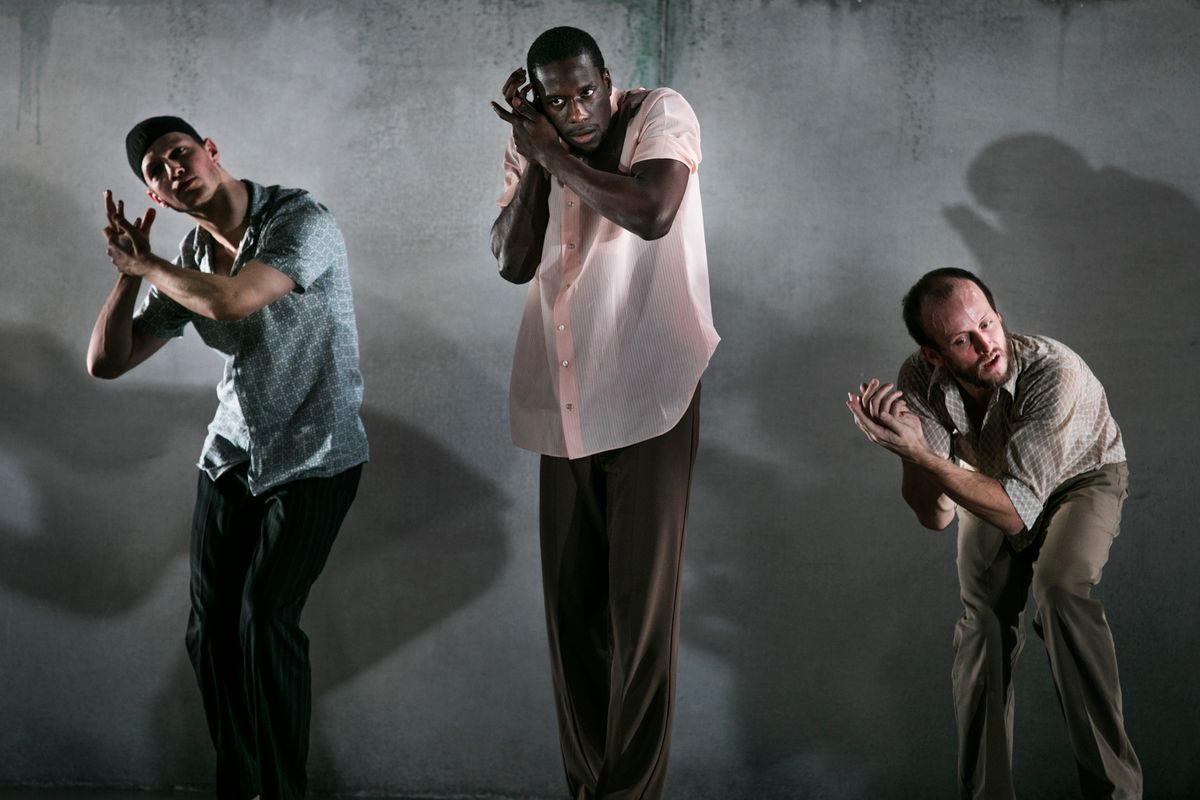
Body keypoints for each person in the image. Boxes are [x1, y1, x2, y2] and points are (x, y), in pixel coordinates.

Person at [87, 116, 368, 800]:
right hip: (233, 453)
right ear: (155, 196)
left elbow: (236, 300)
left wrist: (150, 267)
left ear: (210, 151)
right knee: (209, 630)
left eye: (180, 153)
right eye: (157, 171)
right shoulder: (187, 254)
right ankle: (240, 787)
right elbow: (107, 361)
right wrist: (129, 274)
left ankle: (283, 790)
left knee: (265, 618)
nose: (173, 170)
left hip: (316, 453)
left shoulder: (299, 219)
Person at [489, 26, 719, 800]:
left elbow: (653, 211)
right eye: (557, 101)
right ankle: (588, 791)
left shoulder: (659, 113)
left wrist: (556, 155)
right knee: (574, 618)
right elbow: (512, 261)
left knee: (640, 621)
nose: (577, 110)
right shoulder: (533, 146)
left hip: (653, 394)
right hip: (564, 401)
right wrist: (534, 160)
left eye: (586, 91)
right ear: (538, 101)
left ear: (608, 79)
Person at [846, 268, 1141, 799]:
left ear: (999, 315)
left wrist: (923, 455)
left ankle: (1115, 793)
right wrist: (907, 449)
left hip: (1082, 477)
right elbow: (935, 515)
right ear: (934, 355)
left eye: (987, 323)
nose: (986, 345)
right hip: (990, 480)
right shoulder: (919, 377)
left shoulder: (1054, 371)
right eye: (963, 340)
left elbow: (1015, 515)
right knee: (982, 622)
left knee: (1059, 592)